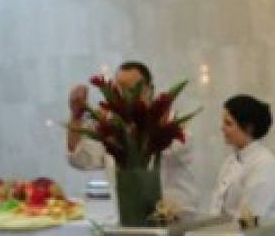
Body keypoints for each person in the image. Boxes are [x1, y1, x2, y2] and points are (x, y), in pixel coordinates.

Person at [67, 61, 200, 216]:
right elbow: (80, 159)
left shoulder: (170, 123)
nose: (123, 96)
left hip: (175, 219)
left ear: (149, 90)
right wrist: (76, 117)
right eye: (117, 90)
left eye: (131, 90)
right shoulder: (111, 126)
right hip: (129, 219)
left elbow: (174, 148)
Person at [209, 94, 275, 220]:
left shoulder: (265, 165)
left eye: (228, 123)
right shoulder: (231, 160)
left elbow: (247, 218)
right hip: (227, 234)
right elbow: (216, 208)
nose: (222, 128)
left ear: (248, 128)